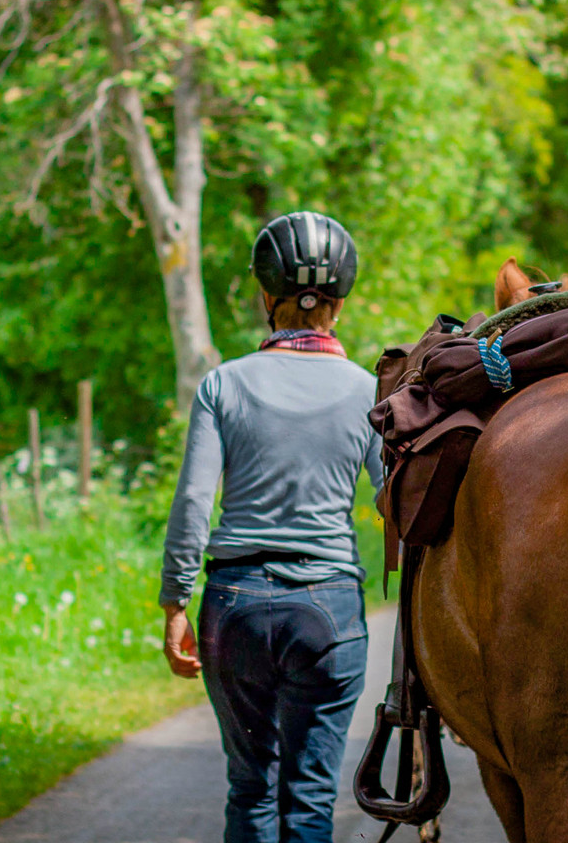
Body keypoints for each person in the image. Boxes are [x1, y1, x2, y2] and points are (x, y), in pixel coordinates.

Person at [160, 211, 385, 843]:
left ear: (267, 298)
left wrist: (176, 600)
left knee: (251, 787)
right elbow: (397, 502)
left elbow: (194, 502)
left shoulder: (223, 385)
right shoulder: (370, 393)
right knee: (309, 798)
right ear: (338, 304)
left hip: (234, 607)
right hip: (329, 611)